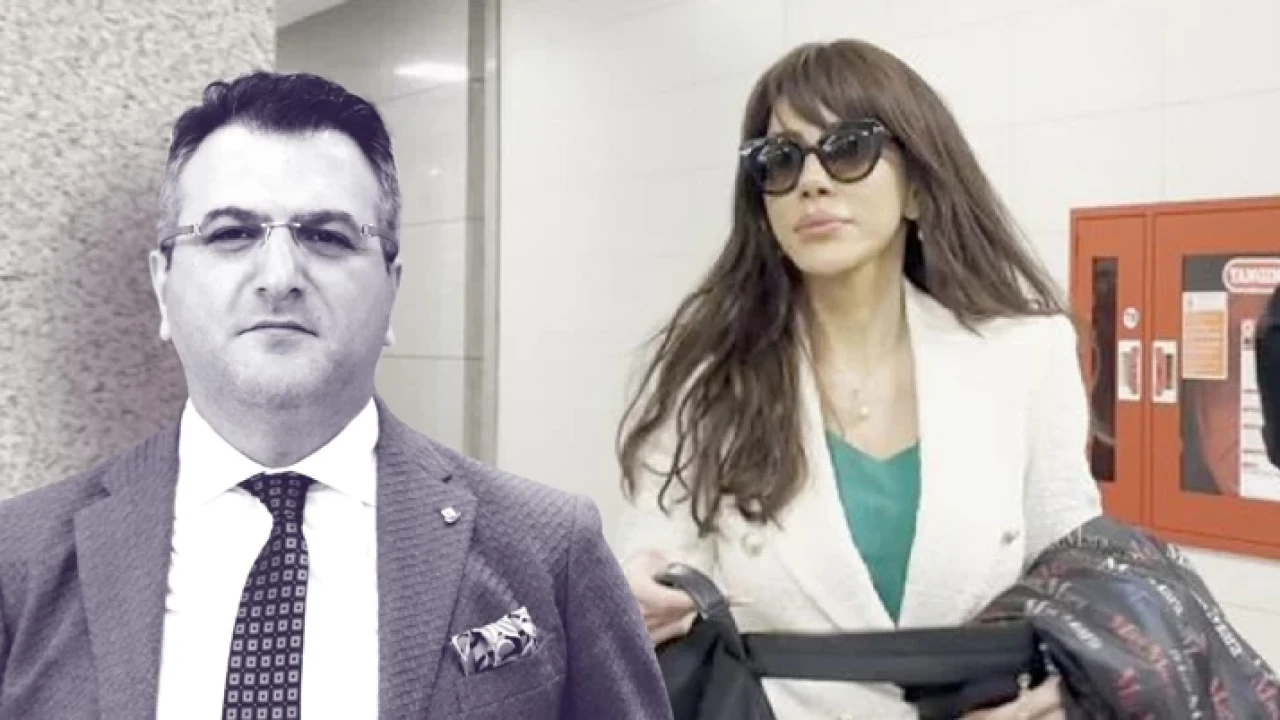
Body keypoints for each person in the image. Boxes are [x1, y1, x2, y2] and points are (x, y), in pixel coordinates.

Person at [0, 72, 670, 720]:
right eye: (231, 233)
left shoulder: (549, 549)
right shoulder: (19, 559)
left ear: (392, 286)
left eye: (326, 236)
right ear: (162, 285)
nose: (279, 276)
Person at [615, 39, 1102, 719]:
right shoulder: (710, 374)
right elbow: (653, 551)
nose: (812, 182)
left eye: (849, 149)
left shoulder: (1024, 352)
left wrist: (1055, 702)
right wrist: (638, 587)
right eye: (781, 160)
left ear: (918, 188)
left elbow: (1076, 574)